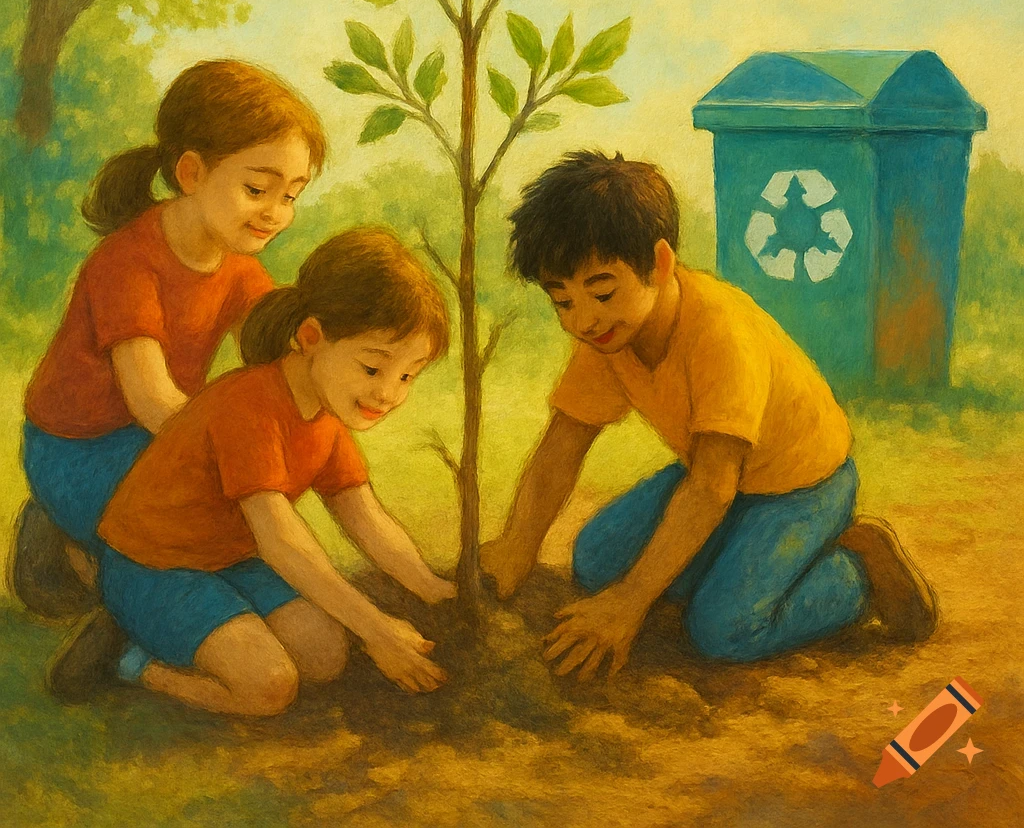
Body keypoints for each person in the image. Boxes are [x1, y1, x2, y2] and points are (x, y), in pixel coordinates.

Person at [481, 150, 937, 678]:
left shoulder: (721, 332)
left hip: (802, 487)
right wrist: (518, 546)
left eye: (602, 291)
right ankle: (739, 562)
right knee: (596, 559)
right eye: (562, 302)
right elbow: (562, 445)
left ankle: (855, 571)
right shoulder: (609, 335)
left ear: (661, 262)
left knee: (722, 631)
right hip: (718, 477)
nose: (583, 319)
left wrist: (630, 605)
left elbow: (712, 488)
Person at [47, 229, 454, 713]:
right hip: (154, 565)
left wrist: (436, 591)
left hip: (229, 559)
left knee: (325, 658)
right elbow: (280, 539)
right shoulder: (250, 407)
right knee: (269, 688)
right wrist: (377, 628)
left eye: (407, 375)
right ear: (310, 337)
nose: (389, 394)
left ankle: (176, 628)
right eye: (373, 369)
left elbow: (365, 517)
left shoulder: (325, 415)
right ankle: (129, 659)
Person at [12, 59, 326, 620]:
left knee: (229, 523)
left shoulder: (240, 270)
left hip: (157, 439)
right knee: (182, 528)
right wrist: (235, 453)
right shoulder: (128, 263)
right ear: (191, 173)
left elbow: (286, 358)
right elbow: (152, 400)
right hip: (75, 447)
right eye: (258, 189)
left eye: (293, 195)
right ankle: (84, 566)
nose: (277, 213)